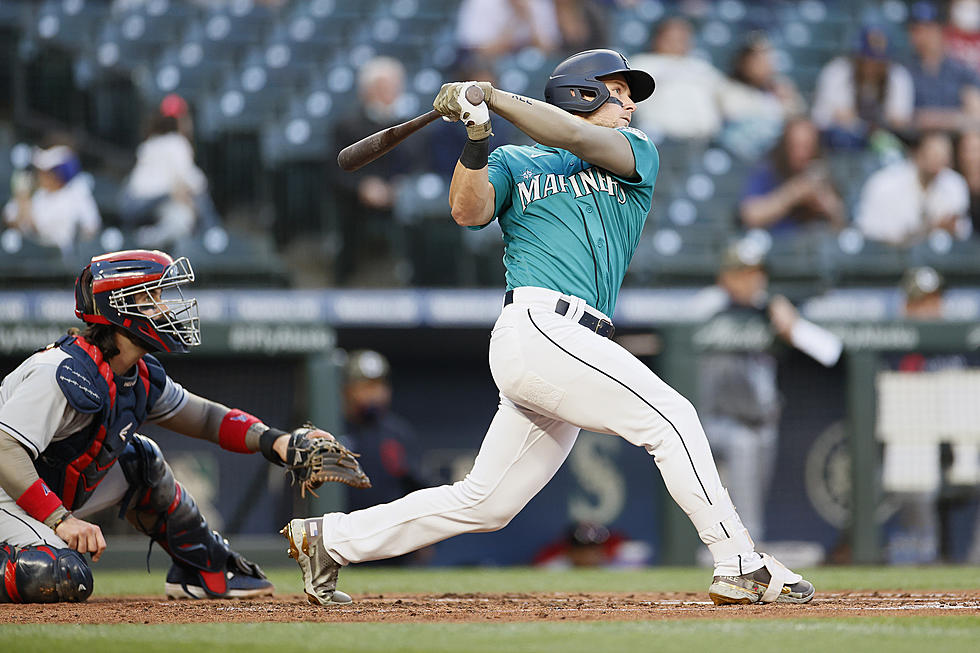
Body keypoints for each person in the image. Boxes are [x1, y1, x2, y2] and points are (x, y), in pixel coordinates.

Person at [282, 48, 814, 607]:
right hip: (537, 326)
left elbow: (577, 140)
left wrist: (493, 95)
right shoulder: (516, 161)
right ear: (583, 92)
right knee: (672, 417)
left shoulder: (637, 152)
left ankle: (330, 539)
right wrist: (477, 133)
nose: (631, 103)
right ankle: (739, 561)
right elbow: (468, 209)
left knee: (485, 503)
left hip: (572, 340)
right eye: (619, 89)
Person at [0, 249, 353, 603]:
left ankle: (201, 570)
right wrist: (61, 520)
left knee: (142, 460)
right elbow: (4, 448)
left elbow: (207, 419)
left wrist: (277, 442)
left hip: (44, 490)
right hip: (8, 493)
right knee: (58, 575)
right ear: (118, 307)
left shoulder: (137, 375)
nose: (165, 307)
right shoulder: (60, 371)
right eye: (151, 298)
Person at [696, 239, 843, 540]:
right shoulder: (708, 306)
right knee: (741, 462)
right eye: (742, 273)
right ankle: (745, 561)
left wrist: (790, 323)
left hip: (759, 424)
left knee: (749, 507)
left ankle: (746, 555)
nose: (752, 280)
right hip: (713, 423)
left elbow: (829, 350)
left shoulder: (773, 310)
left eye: (756, 273)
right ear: (725, 277)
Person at [330, 56, 416, 285]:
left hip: (402, 196)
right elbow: (337, 170)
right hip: (358, 200)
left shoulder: (411, 125)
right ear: (367, 90)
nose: (389, 92)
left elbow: (418, 164)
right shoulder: (348, 126)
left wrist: (399, 187)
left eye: (393, 86)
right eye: (382, 87)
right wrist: (363, 187)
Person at [118, 94, 221, 249]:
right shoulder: (178, 143)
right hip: (154, 202)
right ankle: (214, 235)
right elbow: (196, 184)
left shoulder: (149, 143)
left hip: (135, 204)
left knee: (183, 210)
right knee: (185, 218)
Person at [340, 350, 427, 514]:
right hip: (339, 530)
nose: (375, 393)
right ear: (346, 390)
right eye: (366, 386)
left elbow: (416, 487)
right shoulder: (330, 429)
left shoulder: (397, 433)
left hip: (387, 532)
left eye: (380, 385)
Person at [855, 130, 972, 246]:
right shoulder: (885, 183)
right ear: (917, 153)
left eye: (943, 157)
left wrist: (950, 228)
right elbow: (869, 230)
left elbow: (963, 231)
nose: (937, 162)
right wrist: (929, 228)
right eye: (932, 154)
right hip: (885, 257)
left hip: (938, 260)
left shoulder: (955, 184)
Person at [738, 118, 846, 237]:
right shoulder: (767, 171)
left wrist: (823, 200)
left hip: (813, 248)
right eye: (795, 146)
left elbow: (841, 225)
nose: (801, 153)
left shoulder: (823, 174)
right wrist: (793, 193)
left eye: (807, 146)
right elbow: (750, 216)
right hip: (774, 246)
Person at [810, 25, 914, 149]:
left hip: (884, 141)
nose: (873, 66)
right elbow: (826, 117)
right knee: (842, 137)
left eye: (879, 62)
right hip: (840, 142)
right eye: (868, 59)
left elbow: (900, 120)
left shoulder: (898, 76)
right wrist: (865, 127)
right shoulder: (837, 71)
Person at [629, 16, 726, 141]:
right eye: (670, 38)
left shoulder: (700, 66)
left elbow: (727, 98)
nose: (675, 43)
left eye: (681, 39)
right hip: (660, 137)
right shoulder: (641, 63)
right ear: (657, 38)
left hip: (702, 140)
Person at [717, 33, 806, 161]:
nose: (764, 64)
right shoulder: (728, 88)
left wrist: (788, 97)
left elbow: (799, 118)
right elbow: (736, 114)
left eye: (767, 59)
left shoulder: (778, 89)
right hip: (739, 158)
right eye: (758, 59)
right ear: (744, 61)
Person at [3, 144, 101, 255]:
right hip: (28, 255)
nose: (39, 175)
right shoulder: (40, 193)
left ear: (57, 175)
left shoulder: (74, 197)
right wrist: (22, 198)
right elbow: (9, 217)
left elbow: (39, 232)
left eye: (45, 172)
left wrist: (23, 199)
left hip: (56, 261)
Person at [906, 1, 980, 131]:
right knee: (936, 147)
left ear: (941, 31)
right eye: (917, 30)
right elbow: (900, 117)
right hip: (915, 140)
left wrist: (940, 120)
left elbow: (976, 115)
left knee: (973, 142)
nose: (924, 36)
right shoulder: (904, 70)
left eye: (929, 29)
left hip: (957, 138)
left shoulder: (961, 71)